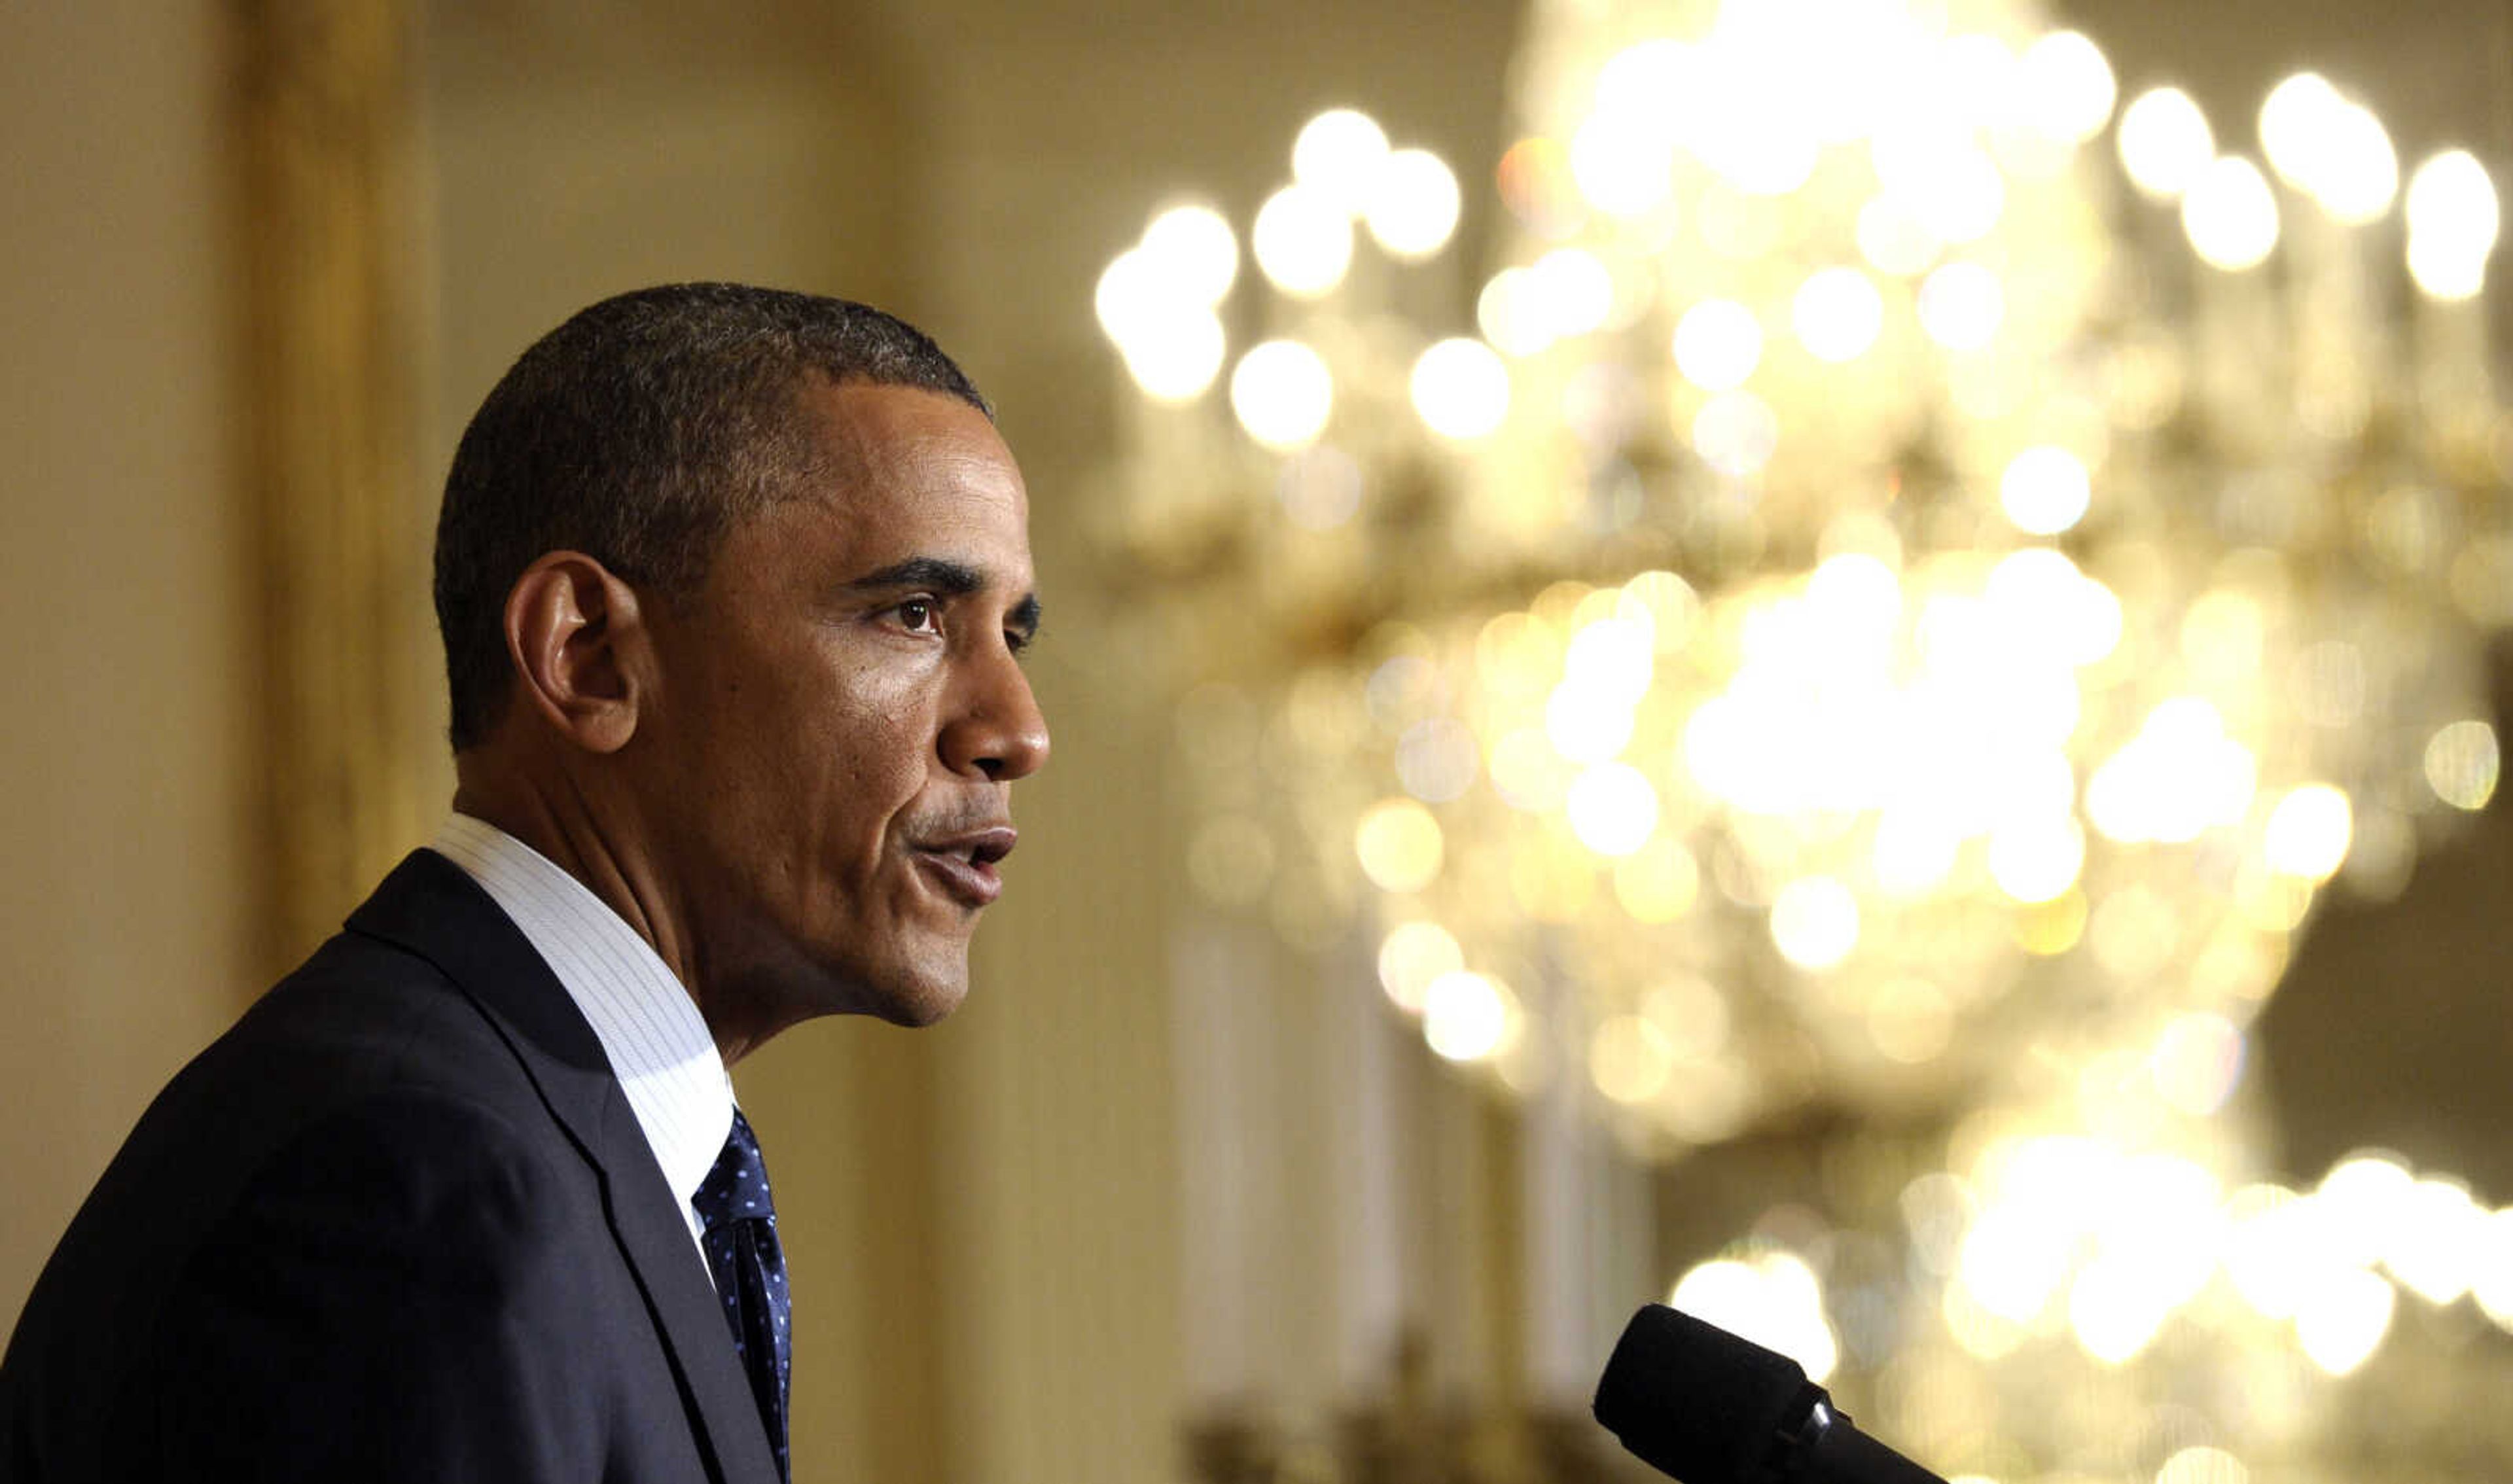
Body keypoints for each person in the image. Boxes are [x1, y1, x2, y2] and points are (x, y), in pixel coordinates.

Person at [0, 283, 1050, 1483]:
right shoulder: (409, 1191)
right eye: (914, 614)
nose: (1017, 730)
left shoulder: (522, 1137)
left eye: (1011, 635)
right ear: (588, 658)